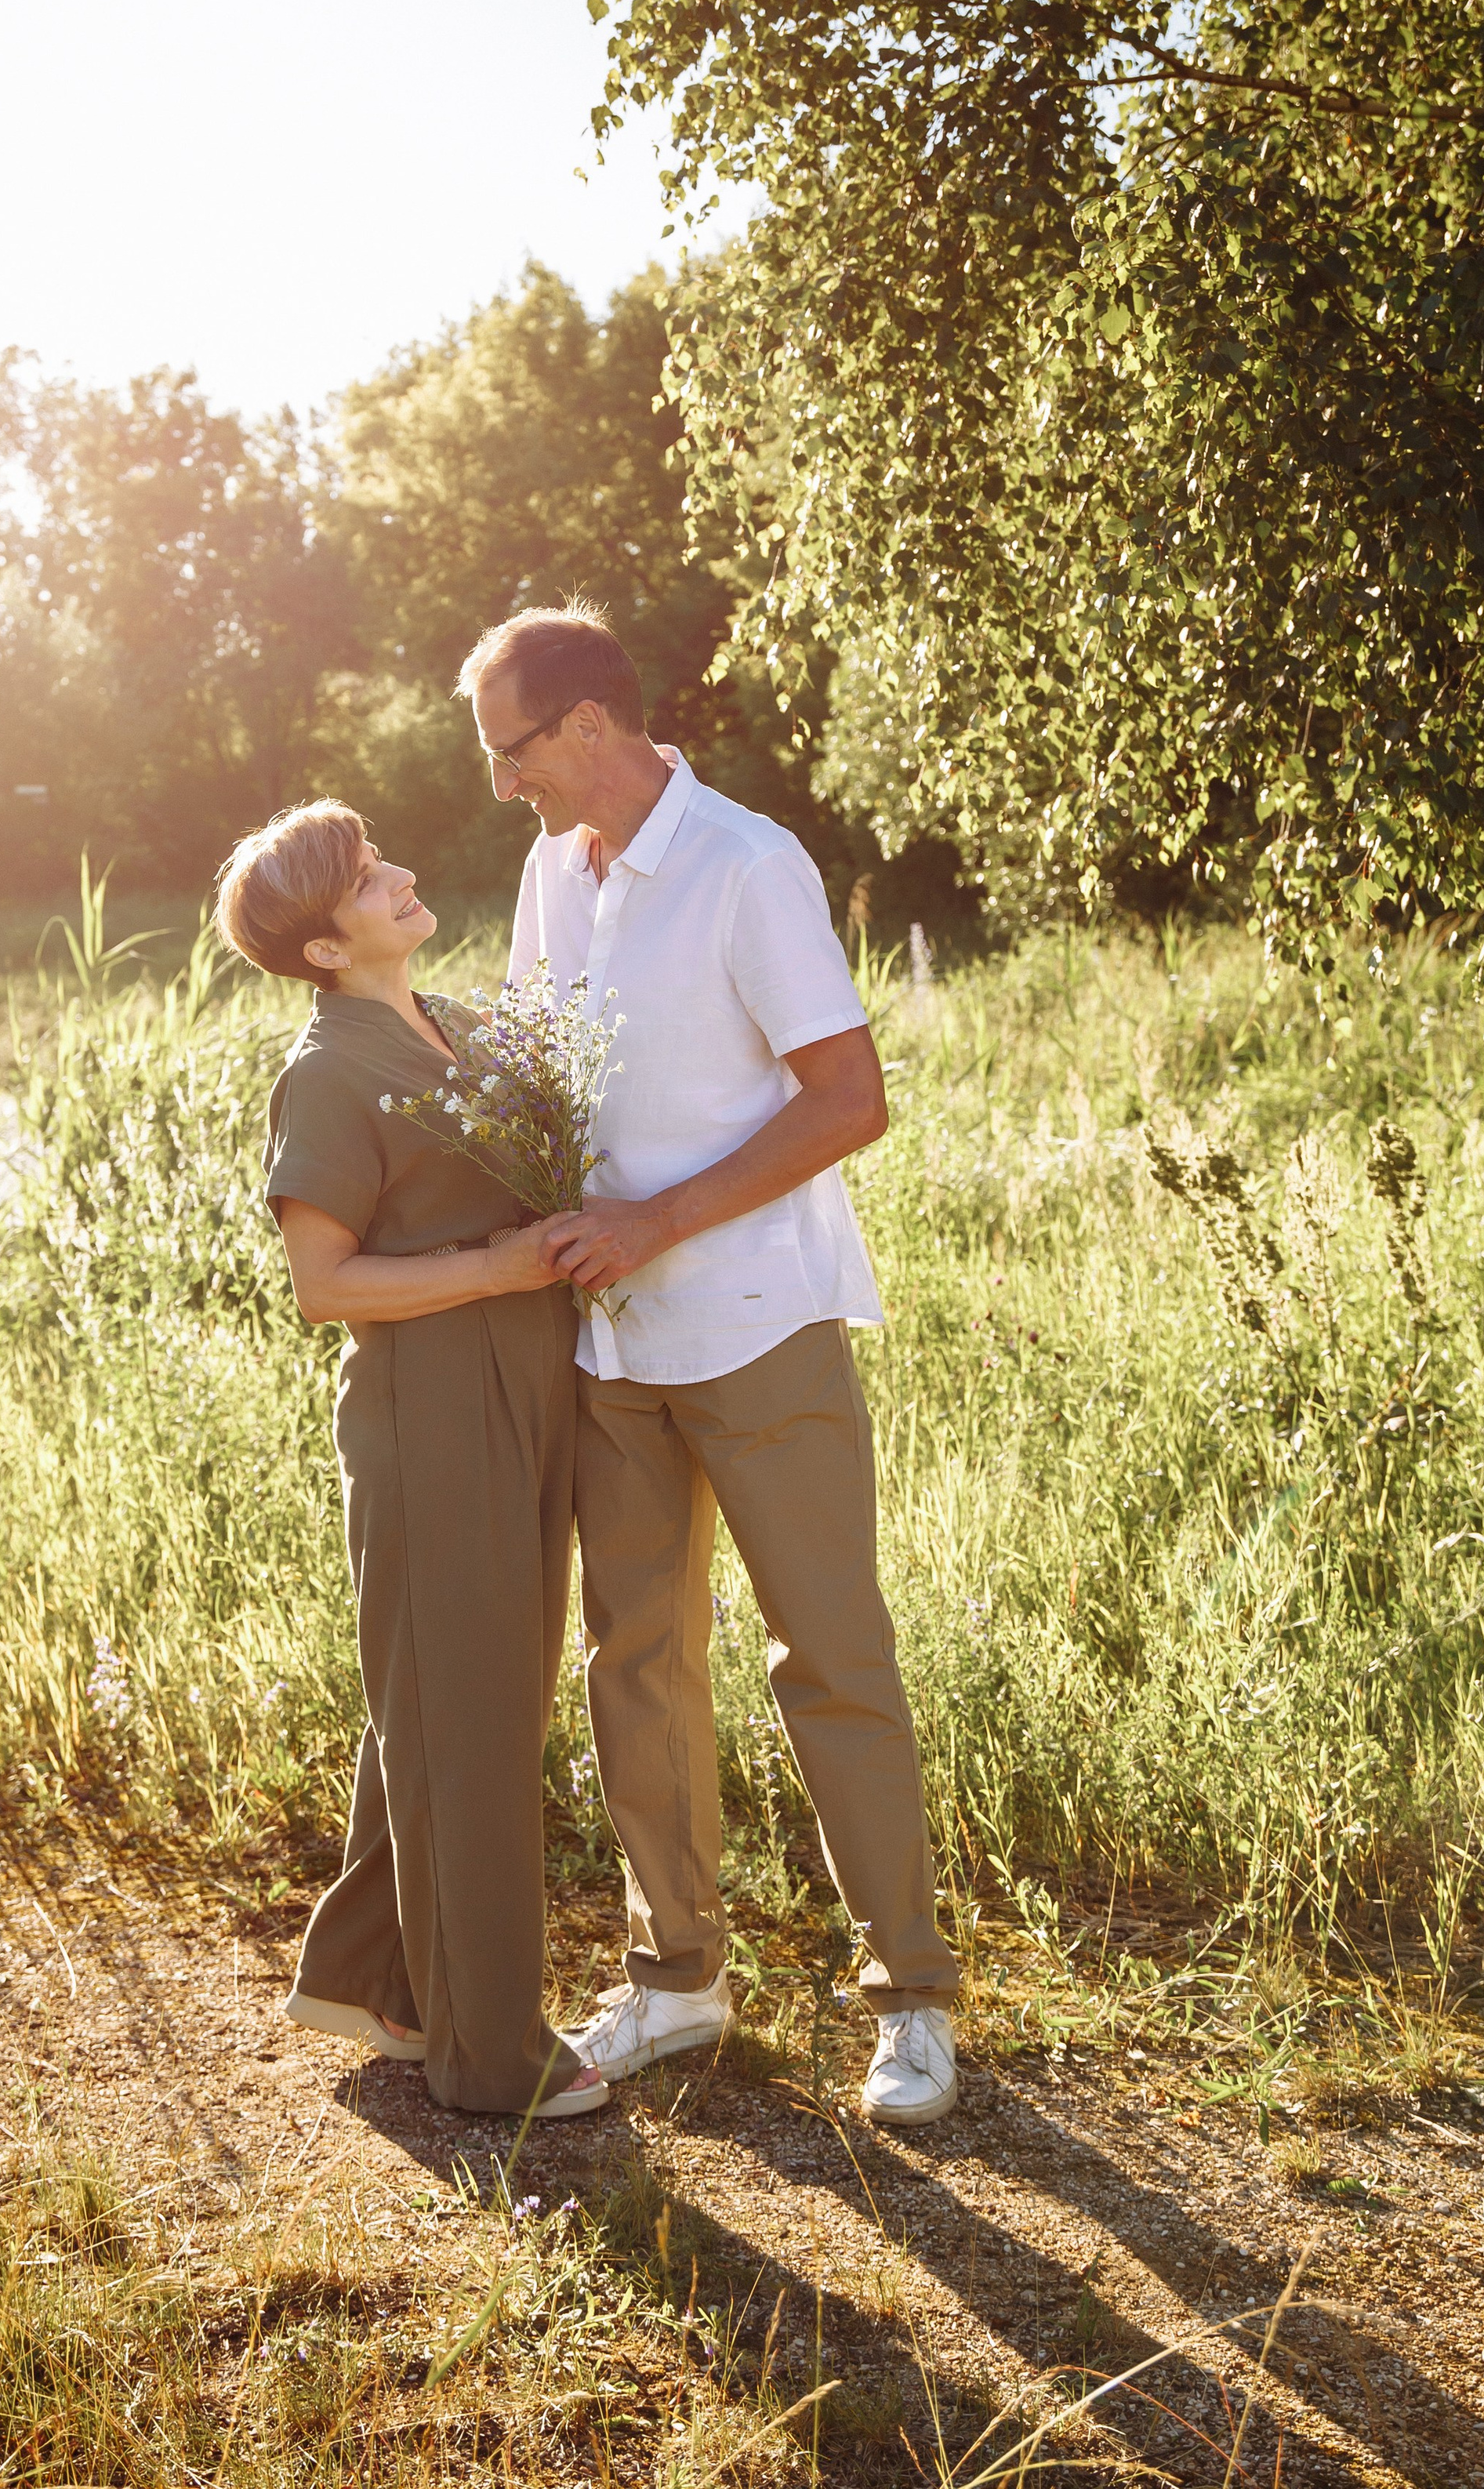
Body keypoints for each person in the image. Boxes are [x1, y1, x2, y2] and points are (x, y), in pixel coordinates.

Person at [456, 608, 963, 2126]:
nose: (500, 784)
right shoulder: (552, 873)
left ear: (589, 725)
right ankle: (676, 1979)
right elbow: (528, 1073)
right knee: (635, 1662)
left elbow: (849, 1099)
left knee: (830, 1655)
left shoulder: (749, 866)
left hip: (756, 1326)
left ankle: (911, 1998)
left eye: (510, 751)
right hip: (611, 1342)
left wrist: (654, 1220)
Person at [216, 799, 606, 2119]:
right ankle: (488, 2053)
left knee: (456, 1702)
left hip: (533, 1391)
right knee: (469, 1722)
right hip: (430, 1411)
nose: (401, 874)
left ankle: (365, 1973)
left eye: (384, 856)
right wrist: (497, 1266)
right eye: (368, 878)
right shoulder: (327, 1074)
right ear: (325, 950)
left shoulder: (464, 1024)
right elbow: (322, 1286)